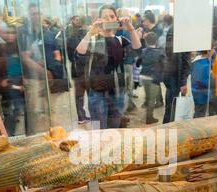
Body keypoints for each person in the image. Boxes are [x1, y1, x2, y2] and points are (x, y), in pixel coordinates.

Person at [76, 4, 141, 129]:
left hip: (117, 92)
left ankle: (111, 148)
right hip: (96, 93)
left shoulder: (120, 40)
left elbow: (137, 49)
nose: (109, 19)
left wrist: (130, 28)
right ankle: (99, 148)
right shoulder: (94, 40)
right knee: (97, 130)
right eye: (105, 17)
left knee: (114, 128)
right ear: (99, 20)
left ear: (116, 19)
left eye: (112, 16)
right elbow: (79, 52)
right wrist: (91, 31)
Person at [19, 3, 69, 135]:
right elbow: (25, 58)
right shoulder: (24, 34)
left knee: (51, 110)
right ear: (29, 16)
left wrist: (53, 70)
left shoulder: (49, 33)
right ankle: (36, 141)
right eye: (33, 14)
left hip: (50, 77)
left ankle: (53, 139)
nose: (36, 16)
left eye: (38, 13)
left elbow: (57, 54)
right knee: (34, 112)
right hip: (33, 79)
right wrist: (44, 72)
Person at [162, 26, 191, 124]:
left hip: (169, 73)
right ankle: (168, 131)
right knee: (172, 107)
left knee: (170, 106)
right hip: (175, 76)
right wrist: (183, 82)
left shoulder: (172, 28)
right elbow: (185, 60)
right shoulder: (182, 30)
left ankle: (166, 130)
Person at [136, 32, 164, 124]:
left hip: (143, 76)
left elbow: (137, 63)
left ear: (146, 41)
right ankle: (149, 117)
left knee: (148, 96)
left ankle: (146, 114)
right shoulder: (160, 52)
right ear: (156, 41)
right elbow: (164, 65)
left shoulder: (143, 51)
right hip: (154, 78)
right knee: (152, 99)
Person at [66, 15, 90, 124]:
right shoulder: (92, 36)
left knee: (79, 95)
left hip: (76, 69)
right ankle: (93, 114)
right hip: (90, 69)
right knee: (92, 94)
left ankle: (81, 117)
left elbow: (70, 55)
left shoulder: (71, 36)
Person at [191, 51, 212, 118]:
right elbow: (206, 82)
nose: (214, 51)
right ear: (208, 51)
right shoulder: (205, 64)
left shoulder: (196, 61)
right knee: (200, 114)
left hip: (196, 91)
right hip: (202, 94)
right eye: (213, 49)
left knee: (198, 111)